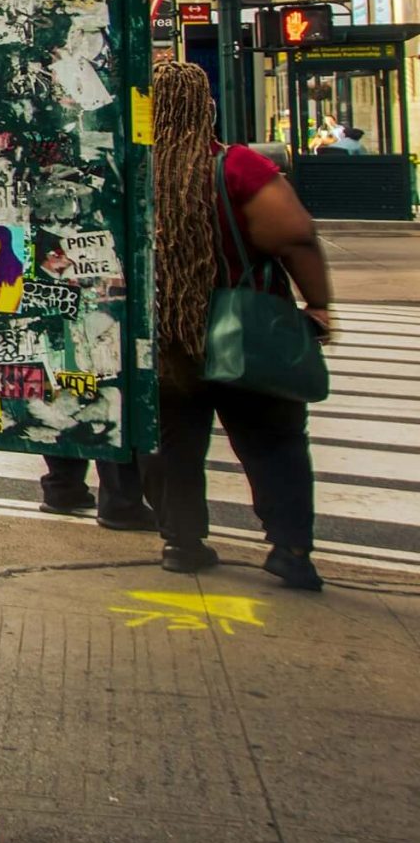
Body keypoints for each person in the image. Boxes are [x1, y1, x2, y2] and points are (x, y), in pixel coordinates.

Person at [149, 58, 328, 590]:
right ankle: (290, 549)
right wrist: (317, 304)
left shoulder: (132, 171)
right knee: (274, 442)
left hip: (164, 339)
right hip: (245, 331)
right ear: (206, 109)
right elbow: (295, 236)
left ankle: (182, 542)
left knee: (171, 444)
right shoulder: (237, 167)